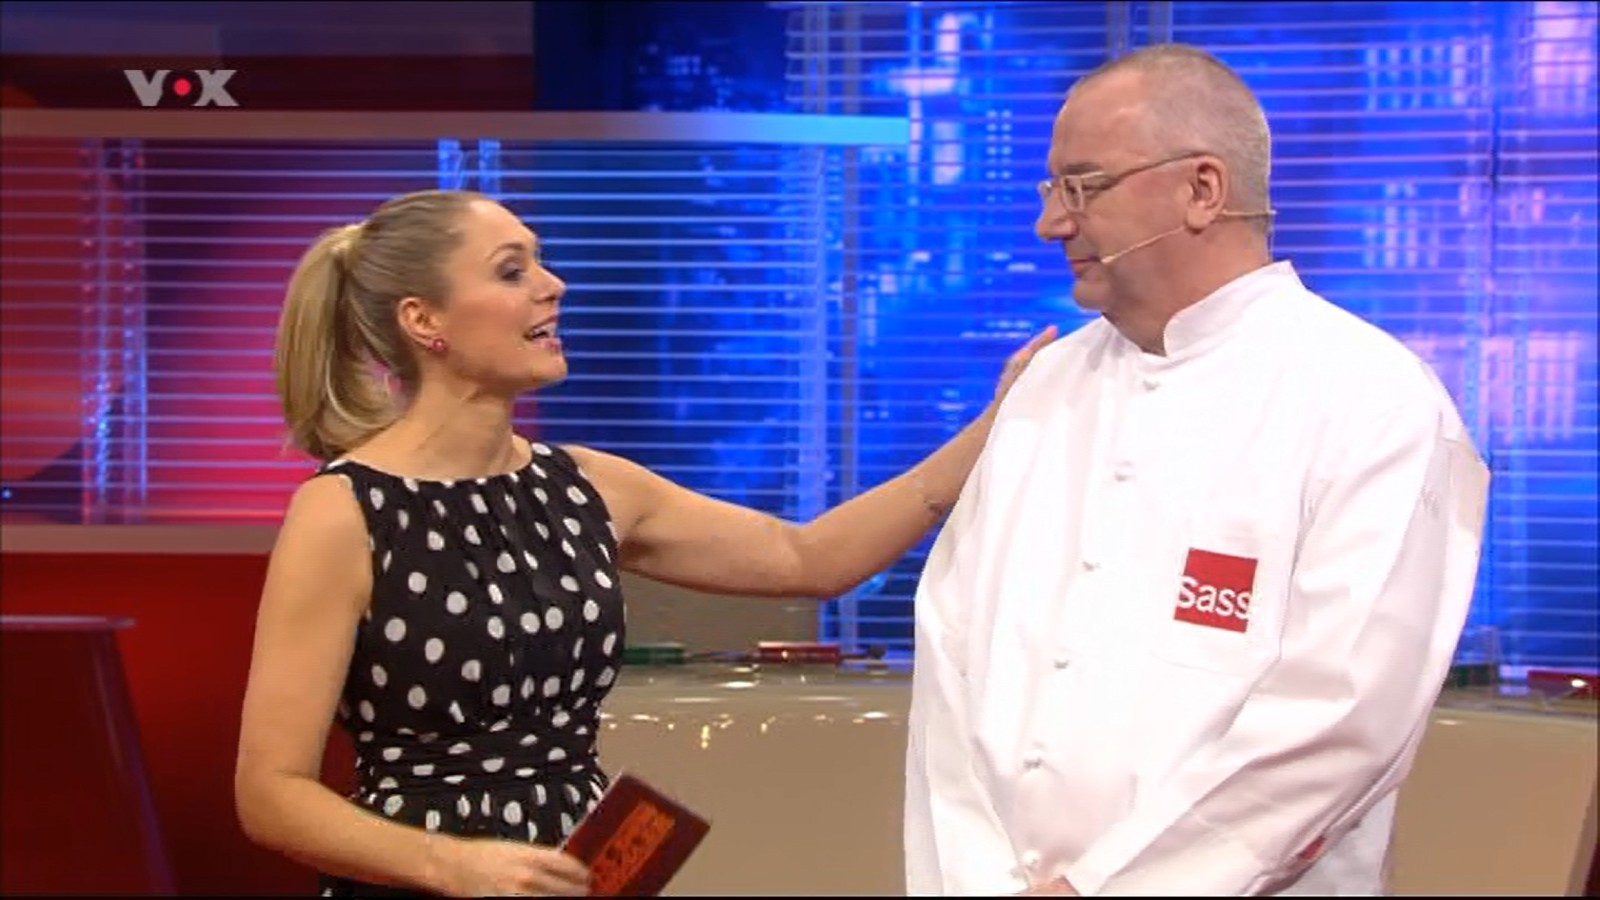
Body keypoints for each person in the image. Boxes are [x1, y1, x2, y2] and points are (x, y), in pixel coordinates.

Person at [232, 187, 1056, 898]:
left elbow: (809, 559)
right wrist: (453, 865)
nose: (552, 285)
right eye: (512, 271)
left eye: (541, 262)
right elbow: (270, 793)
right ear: (424, 320)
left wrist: (993, 429)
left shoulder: (589, 486)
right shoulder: (344, 513)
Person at [904, 43, 1491, 897]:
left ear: (1202, 189)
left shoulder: (1374, 401)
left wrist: (1102, 890)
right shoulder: (1042, 391)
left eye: (1084, 187)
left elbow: (1341, 722)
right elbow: (950, 667)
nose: (1052, 224)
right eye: (1050, 190)